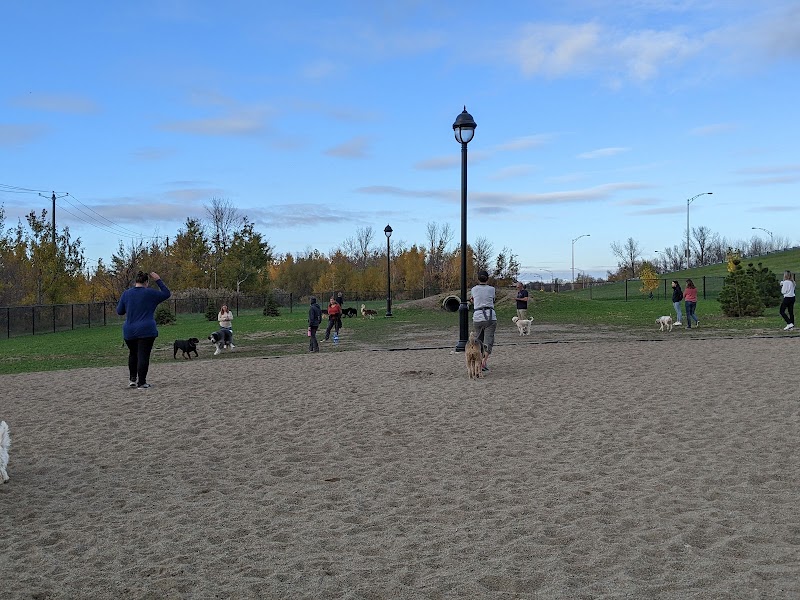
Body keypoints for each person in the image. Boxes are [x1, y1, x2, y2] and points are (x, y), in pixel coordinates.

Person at [116, 271, 171, 389]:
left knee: (133, 354)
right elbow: (166, 294)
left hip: (129, 330)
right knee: (143, 355)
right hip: (146, 329)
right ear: (146, 282)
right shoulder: (150, 293)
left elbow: (120, 311)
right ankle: (142, 382)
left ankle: (132, 380)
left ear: (135, 281)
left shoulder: (126, 294)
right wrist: (158, 280)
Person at [469, 270, 497, 372]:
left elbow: (473, 300)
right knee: (488, 340)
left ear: (478, 278)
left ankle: (478, 362)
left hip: (477, 317)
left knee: (478, 341)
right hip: (490, 316)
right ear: (487, 278)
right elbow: (493, 300)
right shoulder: (492, 289)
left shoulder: (474, 289)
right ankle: (484, 361)